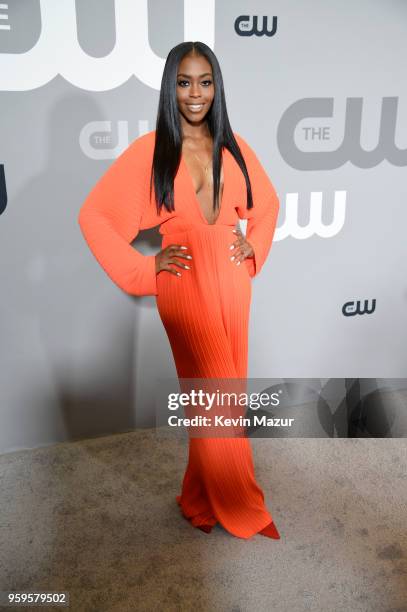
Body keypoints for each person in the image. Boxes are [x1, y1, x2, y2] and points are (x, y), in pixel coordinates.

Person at [78, 41, 280, 540]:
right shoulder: (151, 150)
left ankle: (199, 498)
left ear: (217, 87)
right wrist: (146, 271)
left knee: (223, 400)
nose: (196, 93)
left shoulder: (233, 145)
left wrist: (251, 247)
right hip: (184, 283)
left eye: (205, 82)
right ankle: (242, 504)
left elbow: (268, 203)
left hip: (233, 285)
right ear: (171, 87)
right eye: (185, 82)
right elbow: (95, 216)